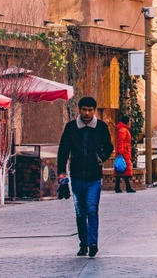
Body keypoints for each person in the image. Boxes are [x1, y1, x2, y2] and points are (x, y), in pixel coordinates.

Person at [57, 96, 113, 258]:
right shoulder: (71, 128)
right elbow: (63, 152)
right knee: (80, 212)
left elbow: (109, 146)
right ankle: (83, 243)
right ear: (79, 110)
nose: (87, 113)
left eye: (90, 110)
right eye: (84, 110)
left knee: (91, 209)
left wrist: (100, 157)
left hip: (94, 177)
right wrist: (62, 174)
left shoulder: (101, 127)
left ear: (94, 111)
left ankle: (93, 243)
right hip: (76, 177)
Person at [114, 114, 136, 194]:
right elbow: (121, 141)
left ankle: (118, 187)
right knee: (124, 170)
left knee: (120, 171)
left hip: (124, 151)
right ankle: (128, 187)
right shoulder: (123, 130)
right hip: (124, 152)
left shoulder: (122, 129)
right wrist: (121, 152)